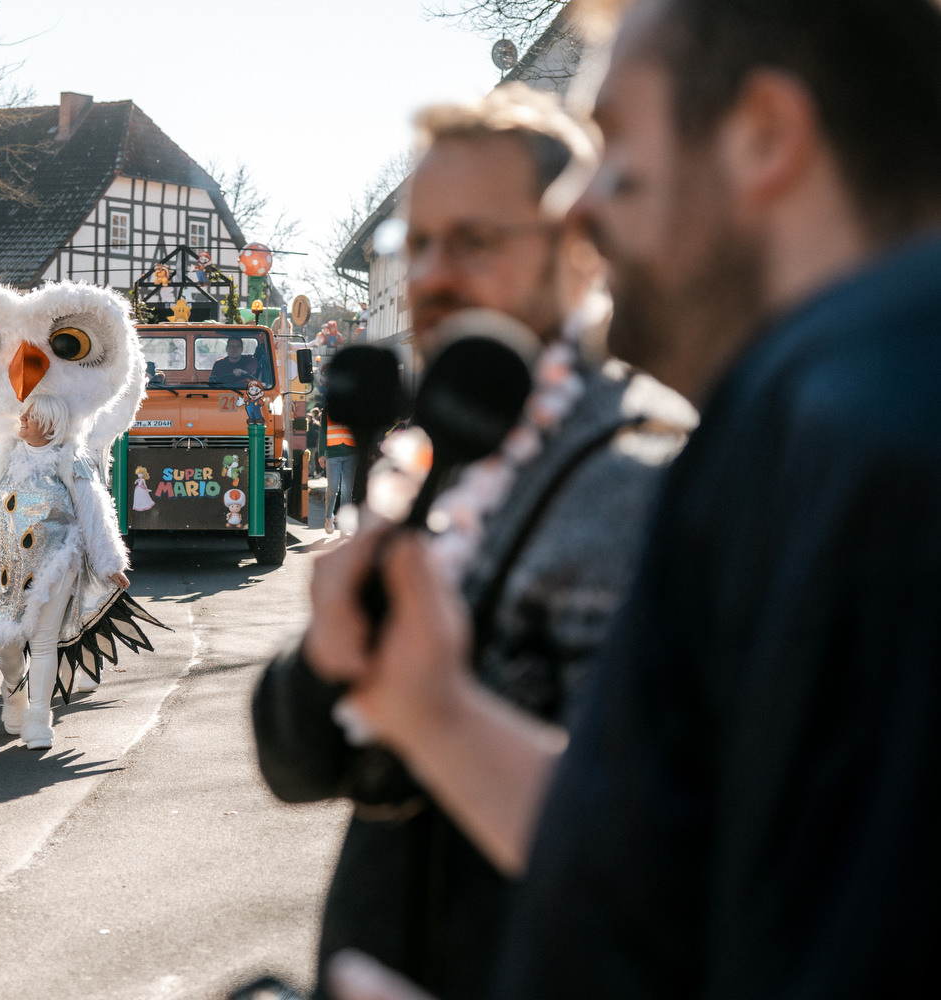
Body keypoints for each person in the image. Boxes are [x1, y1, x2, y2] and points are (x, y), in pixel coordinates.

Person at [313, 1, 941, 998]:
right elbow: (687, 888)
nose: (577, 210)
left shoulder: (873, 449)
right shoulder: (805, 424)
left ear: (765, 135)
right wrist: (428, 708)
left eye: (616, 142)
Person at [252, 83, 692, 1000]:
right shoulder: (434, 457)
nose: (432, 273)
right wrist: (321, 666)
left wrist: (447, 711)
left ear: (580, 252)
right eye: (416, 244)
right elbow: (299, 769)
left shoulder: (641, 479)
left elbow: (658, 858)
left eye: (476, 240)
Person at [0, 394, 132, 751]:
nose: (22, 418)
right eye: (24, 413)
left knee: (42, 642)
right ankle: (13, 695)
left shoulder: (74, 461)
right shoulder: (4, 457)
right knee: (6, 642)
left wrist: (110, 562)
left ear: (51, 423)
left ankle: (39, 720)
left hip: (57, 566)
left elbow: (93, 512)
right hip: (3, 565)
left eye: (32, 414)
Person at [316, 406, 357, 535]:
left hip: (351, 453)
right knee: (333, 488)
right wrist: (321, 453)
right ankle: (329, 518)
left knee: (347, 490)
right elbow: (323, 432)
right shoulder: (329, 408)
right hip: (332, 454)